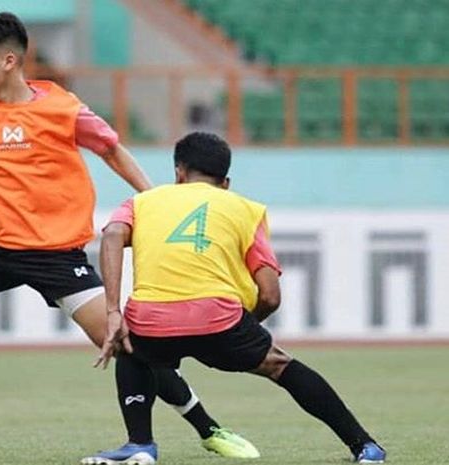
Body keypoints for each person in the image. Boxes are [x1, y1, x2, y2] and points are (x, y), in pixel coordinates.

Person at [0, 12, 258, 459]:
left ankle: (208, 428)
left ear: (10, 61)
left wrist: (154, 204)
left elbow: (111, 149)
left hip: (56, 255)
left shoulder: (61, 108)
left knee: (127, 342)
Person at [84, 132, 387, 464]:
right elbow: (270, 295)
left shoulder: (142, 202)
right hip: (221, 321)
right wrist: (240, 329)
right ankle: (364, 447)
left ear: (178, 172)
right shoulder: (245, 209)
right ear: (225, 182)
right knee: (281, 366)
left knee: (130, 347)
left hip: (153, 321)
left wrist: (113, 310)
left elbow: (112, 233)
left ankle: (139, 445)